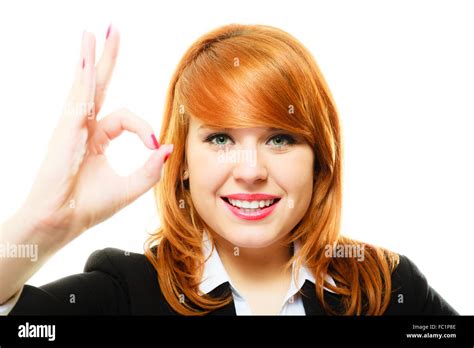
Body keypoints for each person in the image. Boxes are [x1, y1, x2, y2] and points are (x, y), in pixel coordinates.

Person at [0, 23, 457, 316]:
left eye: (280, 138)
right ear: (180, 164)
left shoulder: (383, 286)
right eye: (221, 139)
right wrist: (38, 225)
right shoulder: (126, 295)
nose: (251, 169)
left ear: (319, 159)